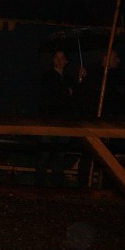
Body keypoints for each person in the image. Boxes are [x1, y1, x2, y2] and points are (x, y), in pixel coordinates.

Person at [37, 49, 83, 186]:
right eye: (56, 58)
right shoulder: (47, 76)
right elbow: (51, 97)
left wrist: (80, 80)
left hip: (64, 121)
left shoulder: (69, 78)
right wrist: (66, 92)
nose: (59, 61)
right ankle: (39, 184)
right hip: (48, 121)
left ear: (66, 61)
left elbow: (76, 97)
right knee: (44, 154)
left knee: (60, 154)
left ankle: (56, 184)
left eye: (62, 58)